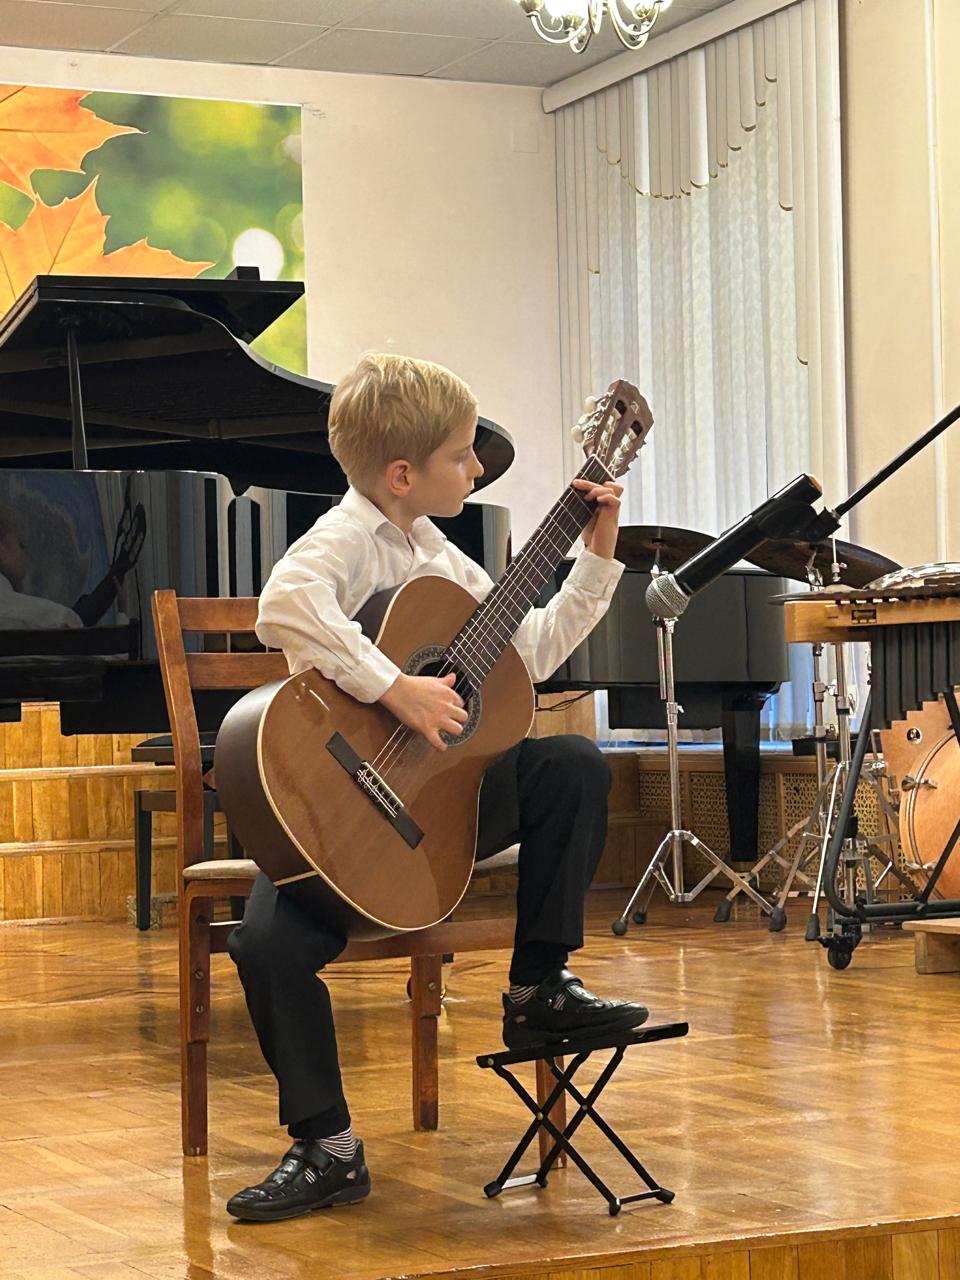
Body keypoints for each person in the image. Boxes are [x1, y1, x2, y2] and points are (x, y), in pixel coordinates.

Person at [225, 353, 649, 1223]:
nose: (478, 468)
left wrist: (596, 556)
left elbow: (529, 656)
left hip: (438, 812)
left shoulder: (441, 557)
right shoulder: (344, 538)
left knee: (573, 763)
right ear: (401, 475)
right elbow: (285, 604)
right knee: (265, 945)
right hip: (336, 818)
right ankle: (328, 1148)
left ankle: (537, 988)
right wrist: (396, 688)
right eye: (462, 455)